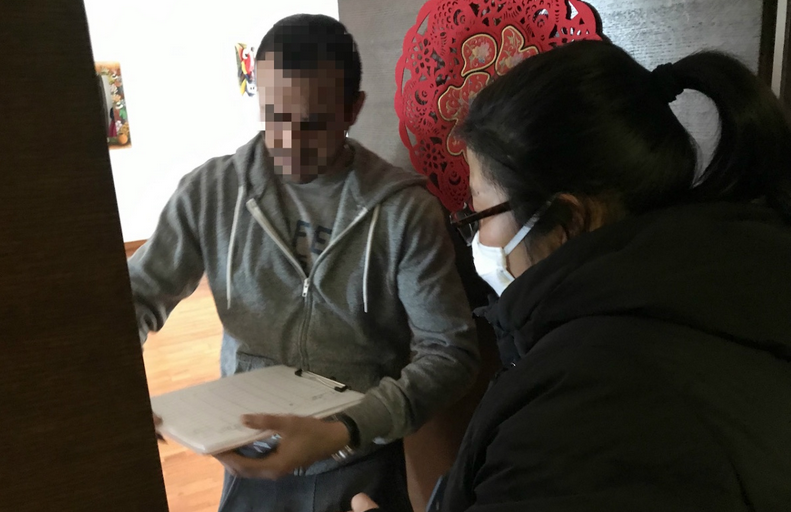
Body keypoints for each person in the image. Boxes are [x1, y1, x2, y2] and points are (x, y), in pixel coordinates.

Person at [331, 39, 791, 510]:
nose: (476, 240)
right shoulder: (714, 299)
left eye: (479, 214)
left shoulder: (592, 407)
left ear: (566, 222)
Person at [130, 13, 480, 512]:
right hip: (244, 453)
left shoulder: (405, 211)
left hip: (358, 456)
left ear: (353, 109)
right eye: (274, 116)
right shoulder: (210, 193)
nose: (289, 141)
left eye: (313, 123)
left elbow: (450, 352)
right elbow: (136, 297)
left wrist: (348, 428)